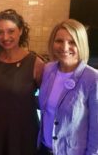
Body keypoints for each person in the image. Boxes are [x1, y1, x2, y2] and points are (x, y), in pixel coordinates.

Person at [0, 9, 45, 155]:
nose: (5, 37)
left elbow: (48, 100)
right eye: (0, 32)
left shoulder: (35, 63)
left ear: (21, 31)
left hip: (24, 132)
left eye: (11, 31)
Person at [37, 19, 98, 155]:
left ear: (81, 44)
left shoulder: (93, 79)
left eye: (72, 42)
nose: (64, 48)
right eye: (59, 41)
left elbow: (96, 129)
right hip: (43, 148)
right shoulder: (48, 70)